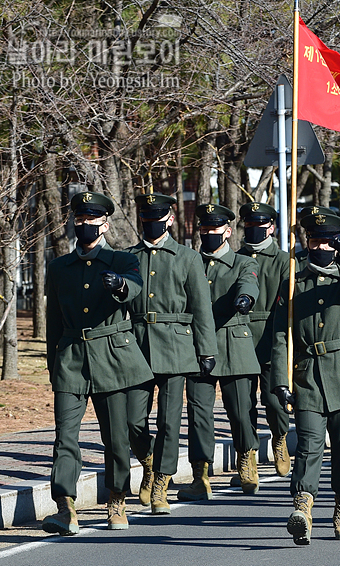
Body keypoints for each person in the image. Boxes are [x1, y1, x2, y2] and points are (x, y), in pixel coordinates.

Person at [42, 191, 153, 534]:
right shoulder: (59, 267)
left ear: (105, 223)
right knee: (65, 438)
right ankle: (66, 507)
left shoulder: (121, 261)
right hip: (71, 359)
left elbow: (134, 287)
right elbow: (53, 321)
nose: (85, 225)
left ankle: (116, 501)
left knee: (116, 438)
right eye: (80, 219)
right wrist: (53, 365)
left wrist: (120, 286)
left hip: (114, 358)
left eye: (92, 219)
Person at [272, 210, 340, 544]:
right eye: (313, 240)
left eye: (326, 241)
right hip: (308, 376)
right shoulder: (292, 277)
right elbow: (279, 335)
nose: (319, 247)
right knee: (308, 443)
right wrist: (280, 379)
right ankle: (303, 506)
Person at [125, 193, 217, 515]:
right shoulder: (129, 256)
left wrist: (207, 350)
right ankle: (149, 463)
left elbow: (202, 309)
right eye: (146, 220)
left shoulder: (187, 258)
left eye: (157, 219)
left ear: (170, 220)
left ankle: (162, 482)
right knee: (132, 421)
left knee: (168, 420)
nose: (151, 225)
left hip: (177, 347)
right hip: (136, 346)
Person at [176, 204, 261, 500]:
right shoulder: (189, 261)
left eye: (215, 229)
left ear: (227, 231)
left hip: (233, 344)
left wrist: (245, 299)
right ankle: (201, 475)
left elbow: (249, 282)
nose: (209, 233)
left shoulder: (242, 262)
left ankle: (247, 463)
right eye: (204, 228)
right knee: (199, 413)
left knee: (240, 411)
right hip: (198, 345)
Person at [236, 202, 292, 479]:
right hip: (239, 340)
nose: (255, 230)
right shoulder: (235, 259)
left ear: (271, 227)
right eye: (249, 225)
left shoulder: (284, 261)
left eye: (261, 225)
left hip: (271, 339)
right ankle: (247, 454)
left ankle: (279, 438)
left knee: (273, 401)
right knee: (242, 404)